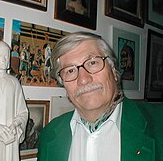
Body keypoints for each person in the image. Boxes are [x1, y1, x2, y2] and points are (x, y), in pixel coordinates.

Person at [37, 32, 163, 161]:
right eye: (70, 70)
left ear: (114, 71)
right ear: (63, 84)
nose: (83, 79)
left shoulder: (158, 123)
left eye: (92, 63)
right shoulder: (49, 135)